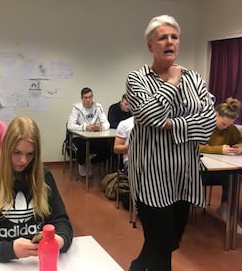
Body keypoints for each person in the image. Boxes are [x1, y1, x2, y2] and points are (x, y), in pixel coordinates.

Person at [126, 15, 216, 271]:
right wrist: (172, 82)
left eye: (174, 37)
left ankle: (136, 266)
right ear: (150, 46)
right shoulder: (137, 79)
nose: (170, 42)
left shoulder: (195, 79)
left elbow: (208, 123)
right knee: (163, 246)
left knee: (169, 240)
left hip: (183, 177)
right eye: (162, 37)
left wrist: (170, 124)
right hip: (150, 179)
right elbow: (150, 115)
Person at [0, 116, 73, 263]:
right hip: (3, 262)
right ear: (6, 148)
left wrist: (60, 240)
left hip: (38, 262)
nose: (23, 161)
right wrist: (9, 250)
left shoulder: (44, 176)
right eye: (16, 152)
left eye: (30, 154)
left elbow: (61, 221)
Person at [199, 97, 242, 232]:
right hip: (201, 170)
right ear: (215, 114)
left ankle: (225, 207)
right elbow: (195, 146)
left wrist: (240, 147)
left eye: (229, 124)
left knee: (234, 175)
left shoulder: (231, 128)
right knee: (228, 176)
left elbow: (240, 140)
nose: (226, 127)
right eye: (223, 124)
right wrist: (219, 149)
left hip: (221, 168)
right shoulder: (202, 125)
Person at [67, 87, 110, 177]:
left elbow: (107, 123)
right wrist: (85, 127)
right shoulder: (76, 108)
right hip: (79, 137)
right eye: (85, 98)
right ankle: (82, 163)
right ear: (81, 98)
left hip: (93, 137)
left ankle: (91, 162)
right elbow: (70, 125)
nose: (88, 100)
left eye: (90, 97)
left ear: (92, 97)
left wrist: (101, 128)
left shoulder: (98, 107)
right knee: (82, 147)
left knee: (107, 147)